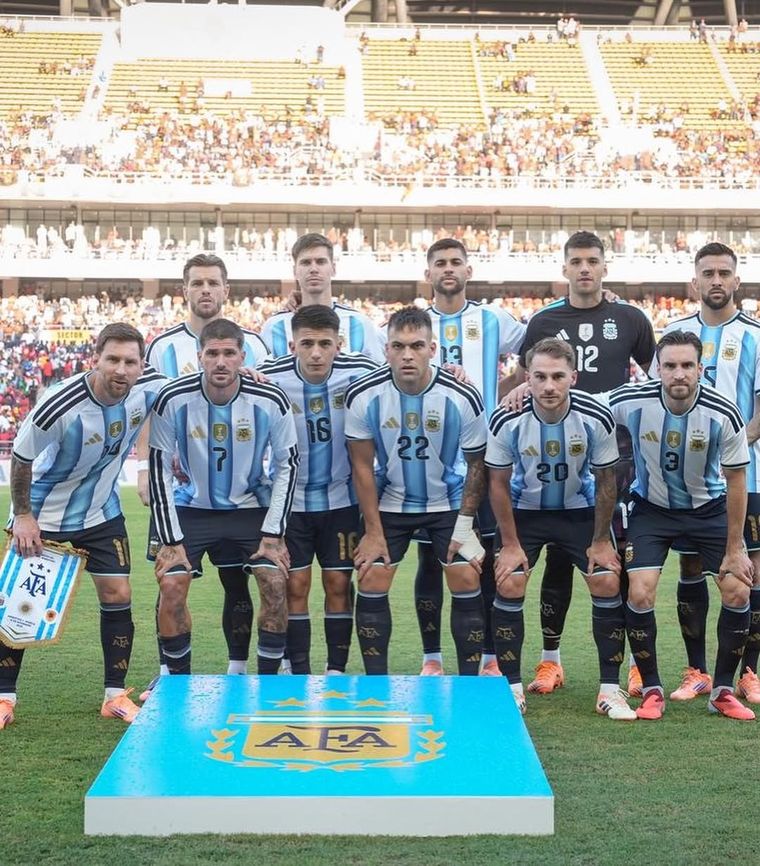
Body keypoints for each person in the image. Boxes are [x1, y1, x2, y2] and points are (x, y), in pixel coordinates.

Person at [508, 230, 656, 697]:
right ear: (565, 268)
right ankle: (551, 660)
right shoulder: (543, 321)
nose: (585, 268)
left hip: (615, 452)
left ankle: (634, 662)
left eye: (593, 260)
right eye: (577, 261)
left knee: (620, 555)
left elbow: (653, 380)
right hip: (558, 451)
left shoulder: (629, 318)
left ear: (604, 267)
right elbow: (521, 380)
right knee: (557, 554)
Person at [0, 324, 165, 730]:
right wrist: (23, 516)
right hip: (43, 515)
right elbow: (21, 459)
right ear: (96, 358)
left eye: (130, 361)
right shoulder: (61, 404)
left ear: (142, 365)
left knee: (118, 593)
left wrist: (248, 373)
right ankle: (4, 697)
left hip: (100, 511)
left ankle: (114, 696)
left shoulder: (150, 387)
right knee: (23, 604)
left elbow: (200, 380)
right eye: (113, 359)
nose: (121, 370)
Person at [139, 254, 268, 695]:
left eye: (214, 282)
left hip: (238, 491)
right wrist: (145, 468)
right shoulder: (162, 347)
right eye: (198, 283)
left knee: (238, 580)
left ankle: (237, 668)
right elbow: (148, 411)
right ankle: (167, 672)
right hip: (180, 490)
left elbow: (266, 406)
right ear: (186, 290)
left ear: (226, 290)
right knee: (170, 577)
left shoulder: (255, 343)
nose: (206, 290)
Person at [609, 330, 755, 721]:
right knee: (639, 592)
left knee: (739, 588)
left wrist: (735, 546)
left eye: (687, 365)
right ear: (657, 369)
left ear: (700, 369)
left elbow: (737, 480)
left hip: (708, 509)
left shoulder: (723, 411)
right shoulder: (629, 400)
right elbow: (580, 402)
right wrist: (519, 390)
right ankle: (653, 688)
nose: (678, 374)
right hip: (652, 509)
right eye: (670, 365)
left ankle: (722, 690)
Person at [148, 318, 298, 676]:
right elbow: (158, 467)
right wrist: (170, 540)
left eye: (229, 353)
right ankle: (175, 681)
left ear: (242, 356)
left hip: (249, 507)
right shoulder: (173, 397)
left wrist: (274, 533)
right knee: (171, 582)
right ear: (199, 356)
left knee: (275, 581)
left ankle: (267, 681)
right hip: (191, 506)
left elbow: (287, 465)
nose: (220, 361)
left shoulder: (269, 397)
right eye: (212, 353)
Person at [487, 338, 629, 717]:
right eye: (540, 377)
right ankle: (512, 688)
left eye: (557, 376)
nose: (549, 386)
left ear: (573, 378)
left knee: (606, 579)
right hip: (525, 513)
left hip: (578, 512)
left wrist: (601, 540)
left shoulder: (595, 416)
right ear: (527, 379)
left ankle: (609, 691)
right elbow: (497, 483)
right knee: (510, 579)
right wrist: (511, 544)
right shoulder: (507, 417)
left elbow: (606, 482)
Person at [345, 306, 488, 675]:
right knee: (372, 574)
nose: (407, 354)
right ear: (386, 350)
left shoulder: (461, 394)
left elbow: (477, 465)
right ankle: (377, 682)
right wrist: (373, 533)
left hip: (449, 502)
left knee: (466, 574)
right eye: (398, 346)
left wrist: (464, 525)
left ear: (432, 348)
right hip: (391, 501)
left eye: (416, 345)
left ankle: (468, 682)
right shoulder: (364, 395)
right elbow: (361, 465)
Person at [414, 238, 525, 677]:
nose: (447, 269)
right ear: (429, 273)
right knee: (430, 560)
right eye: (439, 263)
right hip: (431, 463)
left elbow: (538, 345)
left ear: (468, 270)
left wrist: (513, 385)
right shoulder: (415, 323)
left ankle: (491, 657)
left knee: (484, 557)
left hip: (484, 457)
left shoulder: (494, 319)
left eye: (455, 262)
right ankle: (431, 657)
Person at [659, 242, 760, 704]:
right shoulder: (676, 332)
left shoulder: (756, 335)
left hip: (746, 477)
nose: (716, 280)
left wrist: (732, 448)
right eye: (708, 273)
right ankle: (697, 670)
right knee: (691, 565)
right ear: (695, 282)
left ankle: (749, 673)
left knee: (749, 569)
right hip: (688, 480)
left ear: (737, 281)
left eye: (724, 273)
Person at [258, 305, 377, 674]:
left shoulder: (360, 372)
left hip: (340, 501)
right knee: (295, 586)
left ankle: (336, 671)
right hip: (291, 506)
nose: (315, 352)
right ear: (292, 345)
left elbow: (407, 373)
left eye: (325, 343)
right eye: (306, 343)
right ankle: (300, 671)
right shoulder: (268, 377)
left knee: (338, 582)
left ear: (338, 345)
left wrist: (451, 370)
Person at [260, 233, 386, 363]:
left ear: (333, 268)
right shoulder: (274, 327)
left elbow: (378, 375)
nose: (313, 269)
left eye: (320, 262)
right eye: (306, 262)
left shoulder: (360, 324)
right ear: (295, 271)